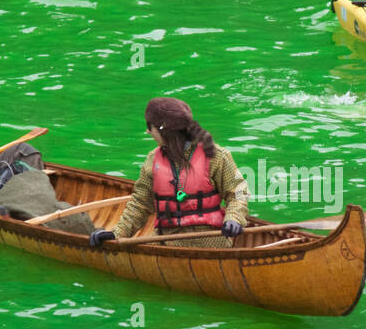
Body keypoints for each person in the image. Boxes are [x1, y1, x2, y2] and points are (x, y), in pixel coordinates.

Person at [89, 98, 250, 249]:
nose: (147, 131)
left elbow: (238, 194)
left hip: (210, 242)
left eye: (149, 126)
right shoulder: (153, 159)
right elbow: (140, 204)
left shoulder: (216, 156)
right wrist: (116, 233)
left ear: (163, 130)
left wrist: (233, 219)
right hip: (164, 242)